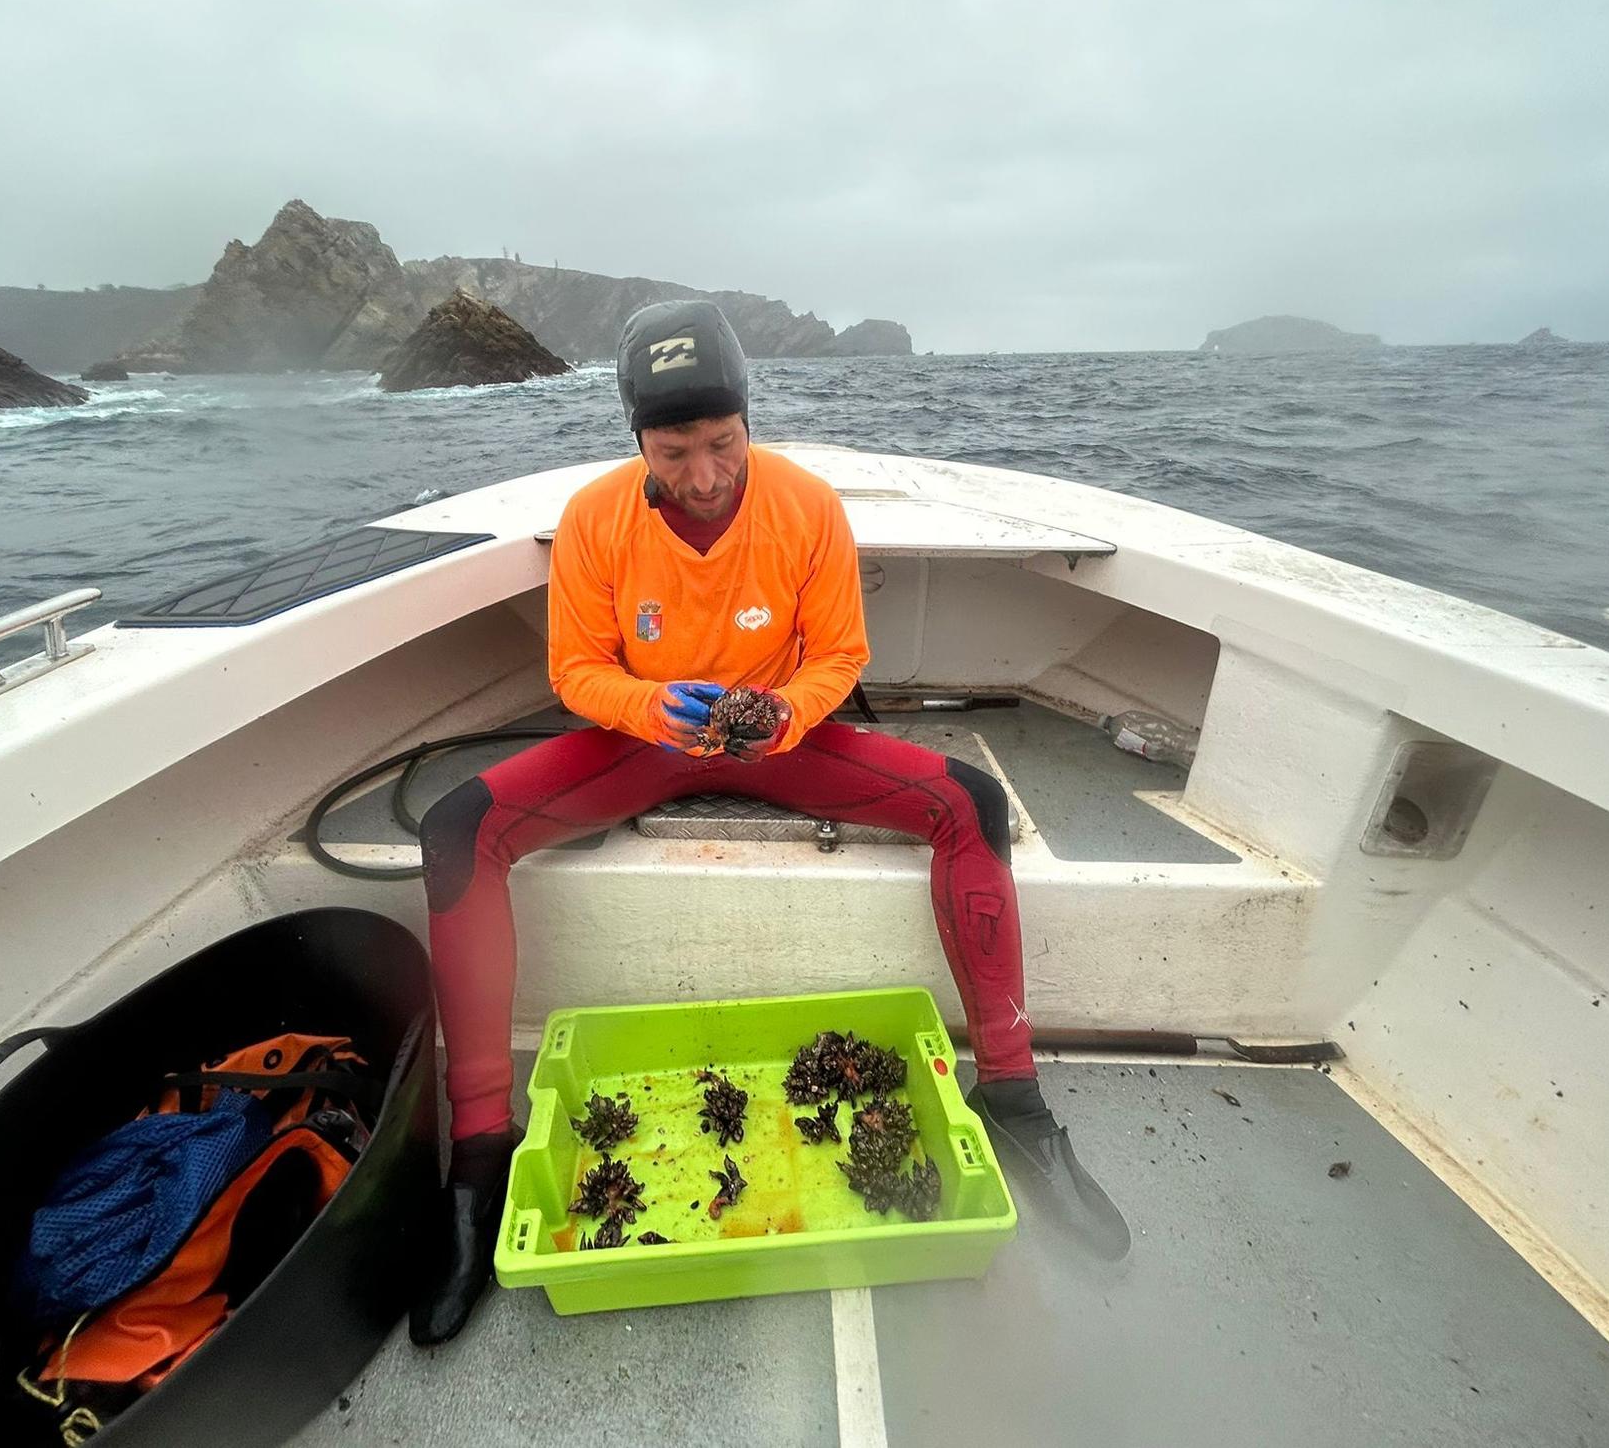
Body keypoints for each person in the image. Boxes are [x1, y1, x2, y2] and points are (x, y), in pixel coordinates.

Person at [410, 299, 1119, 1346]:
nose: (703, 475)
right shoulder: (597, 518)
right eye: (673, 453)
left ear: (748, 421)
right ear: (638, 442)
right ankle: (479, 1152)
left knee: (967, 805)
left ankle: (1012, 1097)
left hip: (779, 738)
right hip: (647, 739)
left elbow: (839, 655)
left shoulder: (805, 507)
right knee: (457, 829)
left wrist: (788, 712)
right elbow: (576, 671)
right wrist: (651, 706)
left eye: (722, 444)